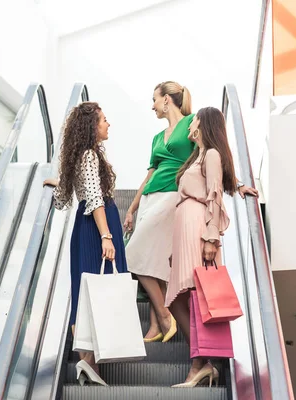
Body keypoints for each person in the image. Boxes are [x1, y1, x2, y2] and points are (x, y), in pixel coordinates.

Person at [124, 81, 257, 343]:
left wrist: (237, 184)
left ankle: (164, 315)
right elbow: (149, 174)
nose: (152, 105)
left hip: (174, 195)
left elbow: (214, 153)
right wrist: (131, 207)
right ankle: (157, 325)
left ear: (166, 100)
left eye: (154, 99)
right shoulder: (156, 138)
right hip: (151, 196)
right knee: (153, 258)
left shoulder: (190, 125)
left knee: (135, 252)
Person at [44, 102, 125, 387]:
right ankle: (89, 362)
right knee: (99, 288)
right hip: (96, 225)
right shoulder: (89, 155)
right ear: (92, 126)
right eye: (103, 120)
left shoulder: (79, 156)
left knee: (86, 289)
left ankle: (87, 363)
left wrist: (59, 182)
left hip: (84, 226)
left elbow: (64, 199)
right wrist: (106, 236)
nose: (108, 124)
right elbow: (95, 199)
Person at [167, 107, 237, 387]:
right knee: (177, 298)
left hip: (199, 228)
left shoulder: (211, 154)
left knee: (196, 295)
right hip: (184, 229)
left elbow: (215, 193)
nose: (189, 123)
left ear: (203, 124)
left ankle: (199, 364)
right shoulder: (198, 155)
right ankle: (202, 361)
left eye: (194, 119)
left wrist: (211, 236)